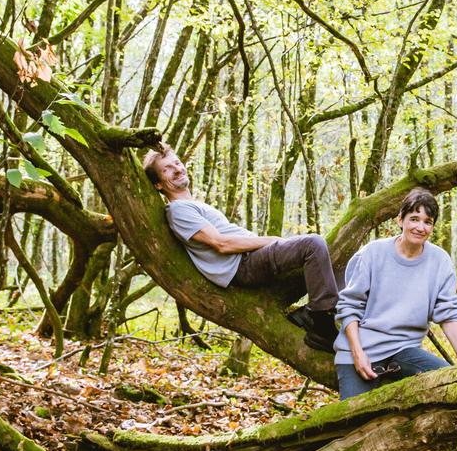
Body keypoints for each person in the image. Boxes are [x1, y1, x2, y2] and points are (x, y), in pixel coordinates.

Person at [144, 145, 338, 348]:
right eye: (166, 169)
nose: (177, 169)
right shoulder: (178, 210)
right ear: (158, 184)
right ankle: (323, 330)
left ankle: (308, 315)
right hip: (242, 264)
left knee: (330, 257)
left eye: (177, 162)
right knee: (313, 244)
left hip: (250, 258)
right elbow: (221, 244)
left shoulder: (192, 205)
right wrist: (270, 240)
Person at [334, 188, 457, 398]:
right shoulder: (373, 253)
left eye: (427, 222)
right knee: (354, 419)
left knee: (452, 388)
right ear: (400, 220)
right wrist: (357, 353)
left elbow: (448, 314)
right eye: (414, 219)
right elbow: (349, 306)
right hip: (362, 347)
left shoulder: (440, 261)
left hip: (404, 350)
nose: (420, 227)